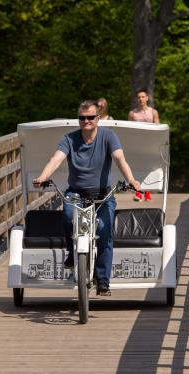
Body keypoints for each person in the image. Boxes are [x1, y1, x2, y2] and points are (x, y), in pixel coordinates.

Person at [33, 100, 141, 296]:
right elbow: (56, 159)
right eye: (82, 118)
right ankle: (73, 254)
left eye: (91, 117)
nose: (86, 121)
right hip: (76, 193)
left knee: (104, 231)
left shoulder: (109, 137)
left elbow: (119, 159)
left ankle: (103, 282)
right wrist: (43, 177)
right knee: (67, 216)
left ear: (98, 118)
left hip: (102, 195)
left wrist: (131, 180)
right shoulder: (69, 139)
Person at [128, 89, 159, 202]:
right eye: (139, 97)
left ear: (147, 98)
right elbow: (129, 130)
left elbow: (157, 128)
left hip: (150, 144)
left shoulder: (153, 112)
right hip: (137, 144)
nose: (141, 99)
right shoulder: (133, 113)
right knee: (137, 169)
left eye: (143, 97)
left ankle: (147, 192)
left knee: (148, 168)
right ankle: (139, 192)